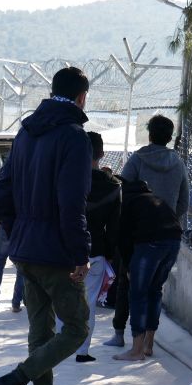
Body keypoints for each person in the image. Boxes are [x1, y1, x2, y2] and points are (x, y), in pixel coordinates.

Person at [0, 67, 92, 385]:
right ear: (82, 97)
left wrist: (17, 231)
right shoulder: (74, 137)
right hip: (57, 253)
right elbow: (72, 203)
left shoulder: (25, 133)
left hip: (25, 248)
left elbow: (2, 189)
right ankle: (14, 381)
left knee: (40, 330)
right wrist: (80, 254)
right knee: (77, 328)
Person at [56, 132, 121, 362]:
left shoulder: (66, 179)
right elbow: (114, 226)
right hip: (96, 251)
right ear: (101, 154)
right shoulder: (113, 186)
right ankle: (82, 352)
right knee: (89, 302)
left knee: (63, 299)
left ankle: (59, 348)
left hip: (65, 248)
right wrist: (110, 254)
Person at [112, 178, 181, 361]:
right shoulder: (156, 199)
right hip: (174, 241)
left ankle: (136, 350)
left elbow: (123, 239)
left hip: (150, 244)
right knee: (155, 290)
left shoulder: (128, 202)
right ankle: (148, 345)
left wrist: (128, 267)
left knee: (138, 293)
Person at [120, 115, 188, 219]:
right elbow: (184, 203)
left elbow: (122, 191)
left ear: (149, 136)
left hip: (139, 224)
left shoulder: (137, 159)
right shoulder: (179, 164)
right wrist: (168, 217)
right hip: (168, 225)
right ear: (170, 139)